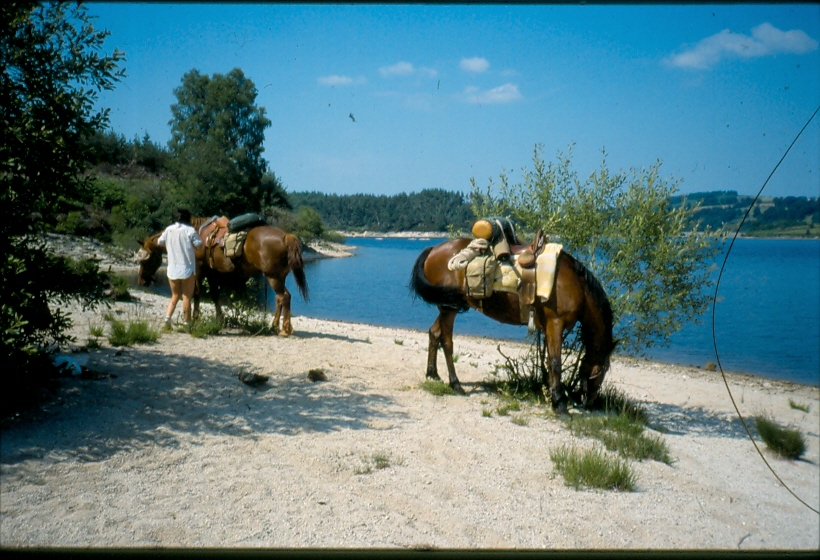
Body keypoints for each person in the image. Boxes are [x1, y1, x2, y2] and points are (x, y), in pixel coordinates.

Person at [157, 208, 203, 330]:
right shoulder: (190, 230)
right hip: (187, 268)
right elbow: (199, 244)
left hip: (172, 268)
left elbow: (160, 242)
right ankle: (187, 323)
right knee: (187, 297)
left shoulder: (168, 229)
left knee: (174, 295)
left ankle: (167, 318)